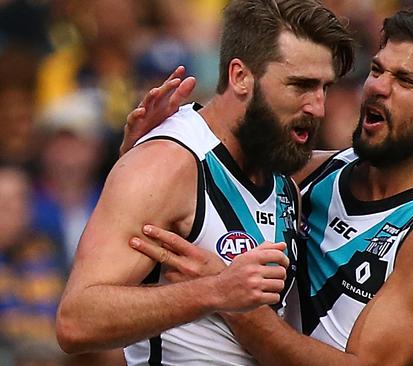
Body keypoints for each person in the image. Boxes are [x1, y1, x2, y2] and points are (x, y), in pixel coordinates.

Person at [124, 7, 413, 366]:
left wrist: (227, 296)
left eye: (405, 80)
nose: (376, 89)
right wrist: (148, 151)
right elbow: (205, 171)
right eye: (377, 70)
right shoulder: (319, 172)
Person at [55, 1, 355, 365]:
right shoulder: (166, 163)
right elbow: (76, 321)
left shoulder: (280, 173)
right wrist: (213, 291)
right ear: (240, 77)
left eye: (324, 87)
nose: (318, 107)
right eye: (301, 86)